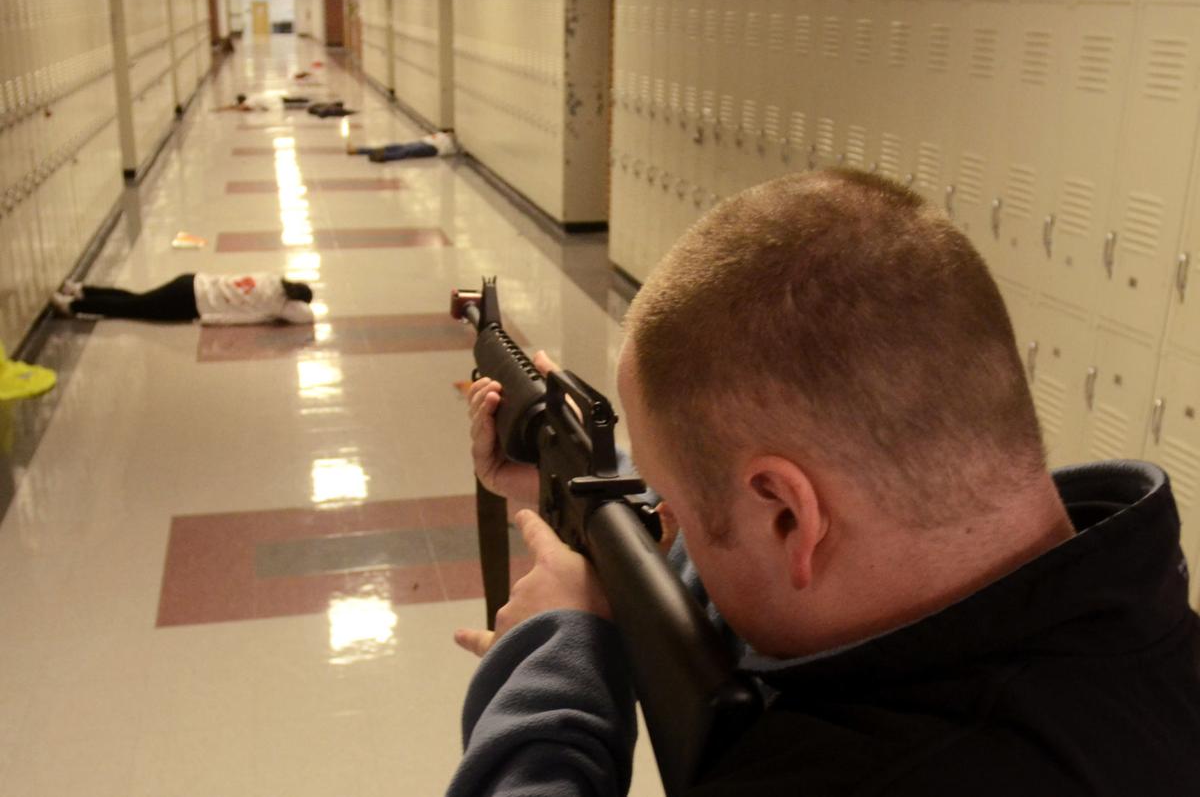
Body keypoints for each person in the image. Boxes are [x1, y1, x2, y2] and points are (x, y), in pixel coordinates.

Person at [450, 169, 1200, 795]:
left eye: (671, 500)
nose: (664, 512)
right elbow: (752, 560)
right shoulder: (1130, 621)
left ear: (786, 518)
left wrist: (555, 657)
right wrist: (587, 494)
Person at [51, 273, 315, 325]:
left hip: (191, 281)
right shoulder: (278, 304)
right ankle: (73, 305)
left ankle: (81, 290)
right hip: (191, 303)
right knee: (131, 308)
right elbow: (306, 316)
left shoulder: (270, 279)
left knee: (137, 299)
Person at [345, 129, 459, 163]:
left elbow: (450, 151)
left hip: (432, 148)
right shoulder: (442, 135)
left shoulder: (451, 144)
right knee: (396, 147)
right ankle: (359, 150)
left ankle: (382, 157)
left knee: (405, 152)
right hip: (424, 143)